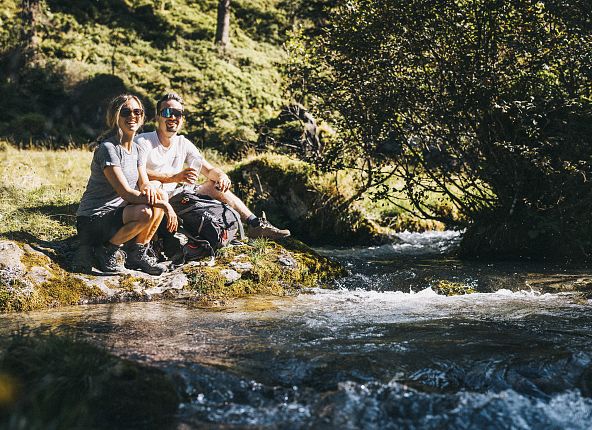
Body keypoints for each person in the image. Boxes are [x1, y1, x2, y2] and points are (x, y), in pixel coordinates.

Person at [136, 92, 290, 243]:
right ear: (157, 116)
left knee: (215, 186)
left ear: (182, 119)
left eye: (178, 113)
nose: (172, 117)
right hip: (154, 200)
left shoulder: (183, 143)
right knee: (157, 186)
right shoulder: (144, 141)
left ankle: (255, 224)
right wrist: (173, 178)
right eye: (167, 112)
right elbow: (134, 172)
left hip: (177, 196)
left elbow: (209, 170)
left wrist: (222, 176)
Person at [74, 94, 178, 275]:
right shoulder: (108, 149)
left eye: (137, 111)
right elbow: (127, 194)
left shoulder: (137, 149)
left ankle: (138, 252)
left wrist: (156, 193)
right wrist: (165, 206)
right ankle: (107, 252)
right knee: (145, 212)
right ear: (115, 116)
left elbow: (143, 183)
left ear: (142, 116)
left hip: (116, 217)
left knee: (158, 193)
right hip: (92, 220)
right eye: (126, 112)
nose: (132, 116)